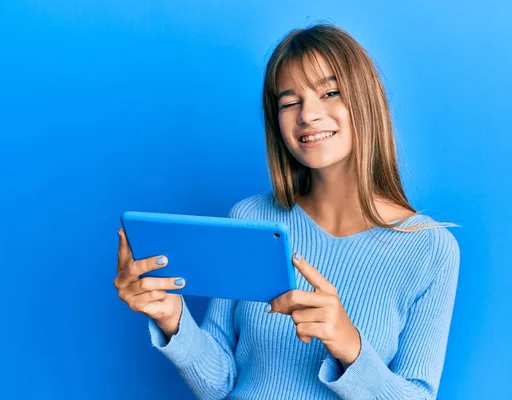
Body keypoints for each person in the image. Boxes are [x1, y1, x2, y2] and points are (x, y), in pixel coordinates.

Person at [114, 24, 460, 400]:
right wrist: (172, 319)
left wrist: (349, 346)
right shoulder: (250, 218)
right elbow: (219, 385)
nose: (308, 115)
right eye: (290, 101)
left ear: (366, 101)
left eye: (330, 92)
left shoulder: (430, 249)